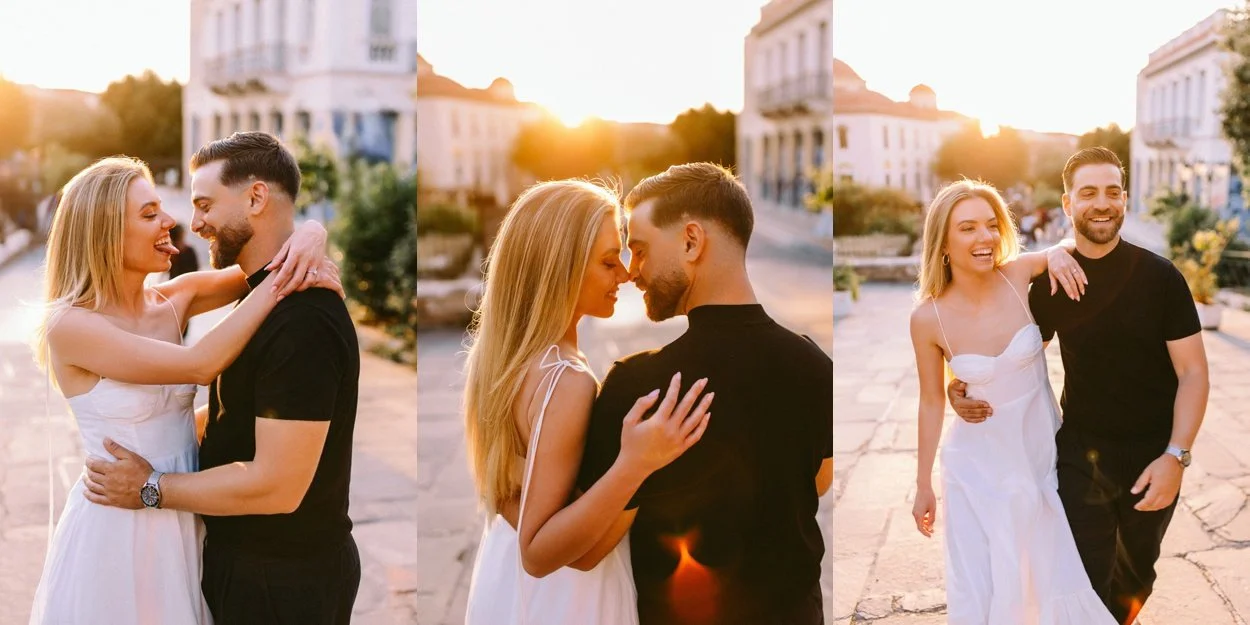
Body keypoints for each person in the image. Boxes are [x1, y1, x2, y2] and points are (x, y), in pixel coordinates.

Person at [27, 153, 338, 625]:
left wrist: (313, 233)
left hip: (182, 512)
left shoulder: (175, 299)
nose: (170, 221)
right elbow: (200, 364)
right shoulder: (69, 326)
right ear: (104, 232)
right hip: (119, 524)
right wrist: (284, 281)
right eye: (149, 214)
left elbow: (265, 259)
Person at [948, 147, 1209, 624]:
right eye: (1088, 193)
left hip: (1152, 454)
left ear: (1124, 199)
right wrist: (959, 386)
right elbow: (1013, 353)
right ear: (1068, 204)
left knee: (1135, 579)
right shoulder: (1051, 284)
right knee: (1080, 581)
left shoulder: (1162, 279)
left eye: (1112, 192)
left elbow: (1194, 373)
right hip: (1078, 454)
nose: (1102, 203)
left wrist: (1176, 456)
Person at [577, 163, 834, 625]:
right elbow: (818, 481)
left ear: (691, 242)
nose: (633, 272)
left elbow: (589, 547)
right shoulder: (815, 366)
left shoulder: (637, 388)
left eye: (640, 249)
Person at [463, 178, 713, 625]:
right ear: (560, 268)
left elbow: (503, 492)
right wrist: (636, 464)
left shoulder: (506, 358)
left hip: (506, 585)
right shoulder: (566, 380)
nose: (626, 274)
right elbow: (538, 551)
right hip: (565, 600)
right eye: (607, 261)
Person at [909, 177, 1114, 624]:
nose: (984, 237)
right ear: (942, 242)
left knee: (1049, 576)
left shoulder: (1018, 273)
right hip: (977, 468)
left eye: (990, 224)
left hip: (1040, 452)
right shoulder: (927, 318)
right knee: (988, 586)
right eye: (967, 228)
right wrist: (923, 484)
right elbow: (930, 402)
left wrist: (1057, 253)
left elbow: (1066, 245)